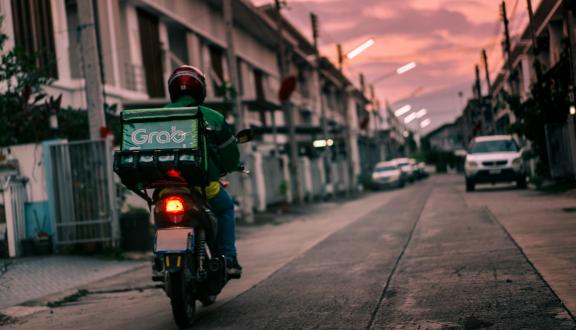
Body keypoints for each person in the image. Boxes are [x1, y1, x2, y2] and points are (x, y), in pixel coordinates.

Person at [165, 65, 242, 278]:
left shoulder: (157, 116)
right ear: (200, 90)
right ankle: (228, 257)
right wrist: (230, 166)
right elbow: (229, 154)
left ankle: (160, 259)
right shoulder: (212, 117)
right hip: (203, 187)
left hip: (164, 187)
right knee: (226, 208)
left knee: (159, 213)